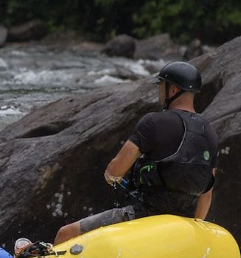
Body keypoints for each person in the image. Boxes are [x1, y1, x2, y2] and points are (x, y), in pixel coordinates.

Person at [54, 61, 219, 245]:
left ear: (172, 90)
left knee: (65, 234)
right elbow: (207, 194)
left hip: (143, 215)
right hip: (182, 223)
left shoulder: (153, 122)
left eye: (161, 86)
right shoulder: (210, 133)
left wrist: (110, 175)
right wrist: (194, 229)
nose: (160, 92)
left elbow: (116, 171)